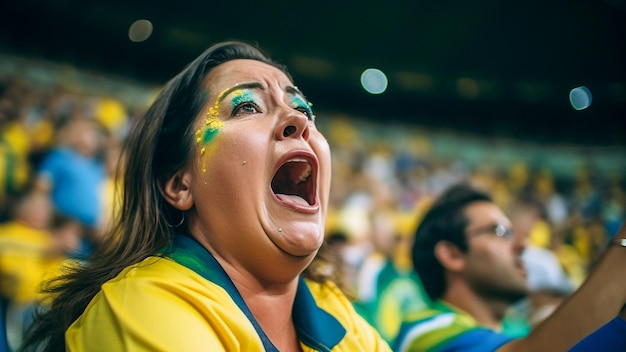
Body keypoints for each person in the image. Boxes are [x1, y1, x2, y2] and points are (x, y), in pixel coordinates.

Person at [20, 40, 391, 352]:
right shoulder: (143, 306)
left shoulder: (333, 308)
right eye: (247, 106)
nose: (300, 122)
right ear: (180, 184)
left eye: (303, 109)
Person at [394, 182, 626, 351]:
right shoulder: (422, 332)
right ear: (452, 255)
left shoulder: (516, 331)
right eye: (501, 232)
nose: (522, 244)